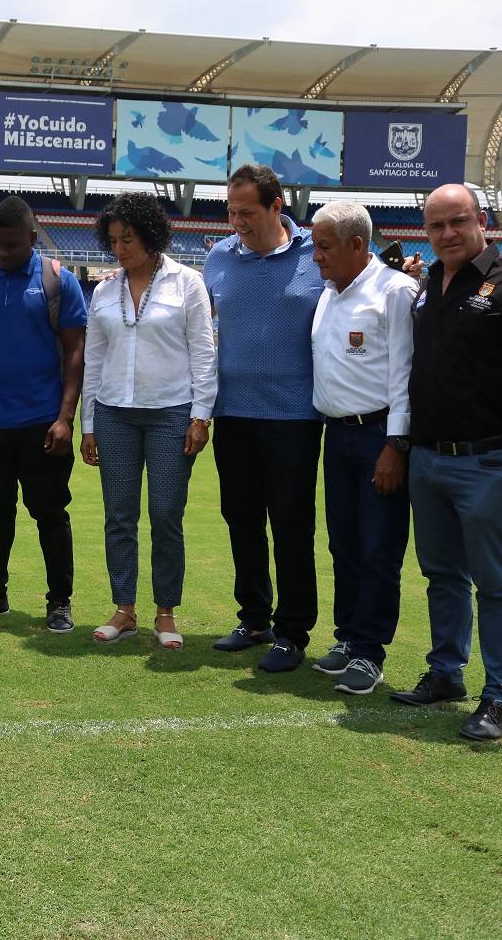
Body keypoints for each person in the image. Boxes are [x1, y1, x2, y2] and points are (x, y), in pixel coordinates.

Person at [390, 184, 502, 741]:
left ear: (481, 220)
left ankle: (498, 697)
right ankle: (446, 672)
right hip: (428, 457)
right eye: (436, 225)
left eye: (457, 222)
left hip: (491, 458)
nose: (447, 234)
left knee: (496, 583)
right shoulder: (427, 287)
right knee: (441, 574)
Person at [81, 191, 216, 649]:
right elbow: (93, 362)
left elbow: (203, 351)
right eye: (114, 240)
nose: (120, 249)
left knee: (165, 514)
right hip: (114, 413)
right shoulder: (103, 290)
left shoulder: (187, 283)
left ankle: (165, 612)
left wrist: (201, 415)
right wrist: (88, 423)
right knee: (119, 516)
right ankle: (125, 609)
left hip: (172, 413)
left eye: (130, 238)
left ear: (152, 236)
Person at [203, 164, 325, 671]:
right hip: (231, 413)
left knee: (292, 523)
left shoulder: (315, 253)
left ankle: (293, 633)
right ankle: (255, 618)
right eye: (231, 212)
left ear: (278, 207)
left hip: (295, 416)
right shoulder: (217, 257)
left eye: (247, 212)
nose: (237, 222)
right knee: (241, 518)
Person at [0, 195, 86, 632]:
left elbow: (76, 352)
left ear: (32, 237)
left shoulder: (58, 282)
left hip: (43, 423)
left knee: (48, 511)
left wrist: (65, 418)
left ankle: (59, 602)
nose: (2, 253)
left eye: (11, 245)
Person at [307, 201, 416, 695]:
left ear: (356, 245)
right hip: (338, 434)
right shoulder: (329, 293)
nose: (315, 258)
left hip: (378, 436)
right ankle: (349, 638)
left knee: (379, 549)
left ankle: (370, 652)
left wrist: (396, 444)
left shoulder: (395, 291)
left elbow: (406, 376)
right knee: (343, 545)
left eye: (324, 247)